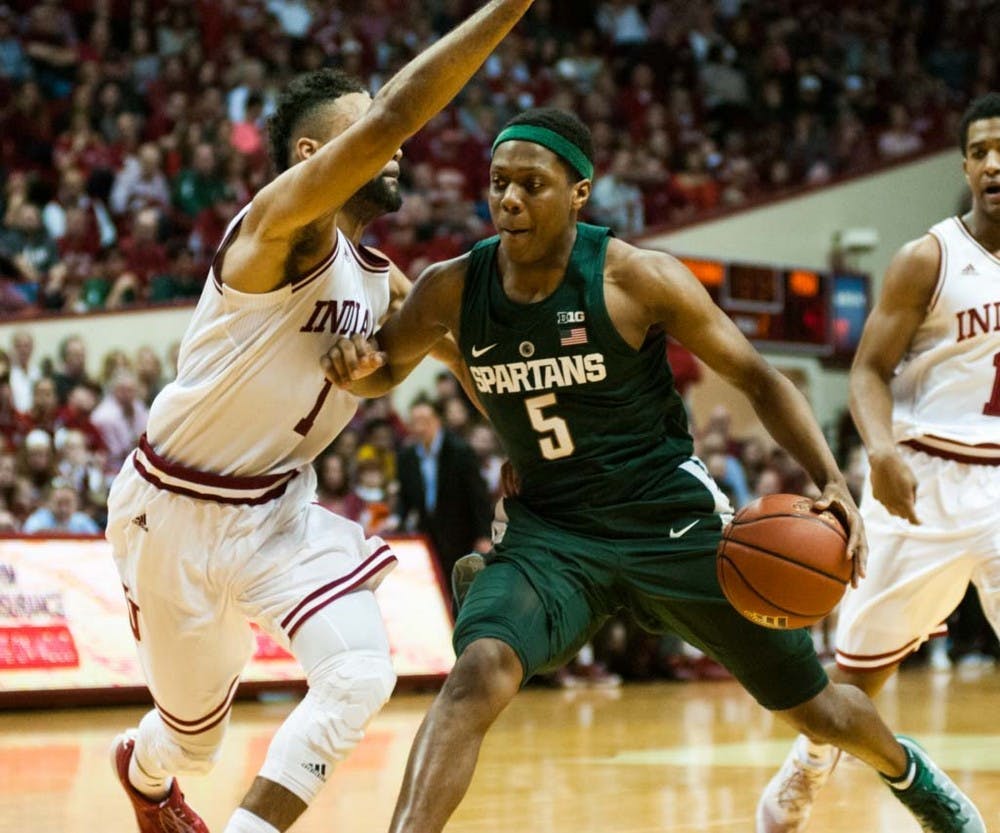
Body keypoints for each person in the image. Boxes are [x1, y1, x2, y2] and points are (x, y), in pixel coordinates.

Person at [322, 107, 986, 833]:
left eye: (531, 184)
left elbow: (759, 378)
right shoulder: (451, 288)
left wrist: (831, 478)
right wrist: (359, 369)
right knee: (478, 670)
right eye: (498, 182)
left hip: (670, 520)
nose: (509, 199)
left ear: (579, 193)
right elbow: (382, 364)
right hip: (554, 531)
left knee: (818, 707)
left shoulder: (637, 277)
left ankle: (909, 774)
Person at [103, 4, 538, 833]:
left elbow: (470, 361)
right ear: (316, 156)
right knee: (191, 740)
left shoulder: (382, 283)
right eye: (365, 131)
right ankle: (145, 769)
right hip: (178, 512)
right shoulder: (282, 230)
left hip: (279, 510)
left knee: (360, 672)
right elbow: (399, 114)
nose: (395, 146)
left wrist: (529, 450)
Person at [756, 91, 1000, 833]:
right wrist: (883, 449)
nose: (995, 163)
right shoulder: (928, 257)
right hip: (918, 480)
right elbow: (867, 370)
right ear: (963, 164)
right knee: (859, 675)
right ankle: (810, 759)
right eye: (982, 150)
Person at [395, 396, 493, 600]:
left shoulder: (460, 451)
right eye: (415, 422)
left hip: (460, 531)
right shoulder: (407, 457)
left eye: (425, 420)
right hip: (427, 532)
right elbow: (405, 498)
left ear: (437, 420)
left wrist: (483, 534)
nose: (420, 426)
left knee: (461, 590)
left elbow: (478, 496)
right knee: (433, 590)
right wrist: (396, 520)